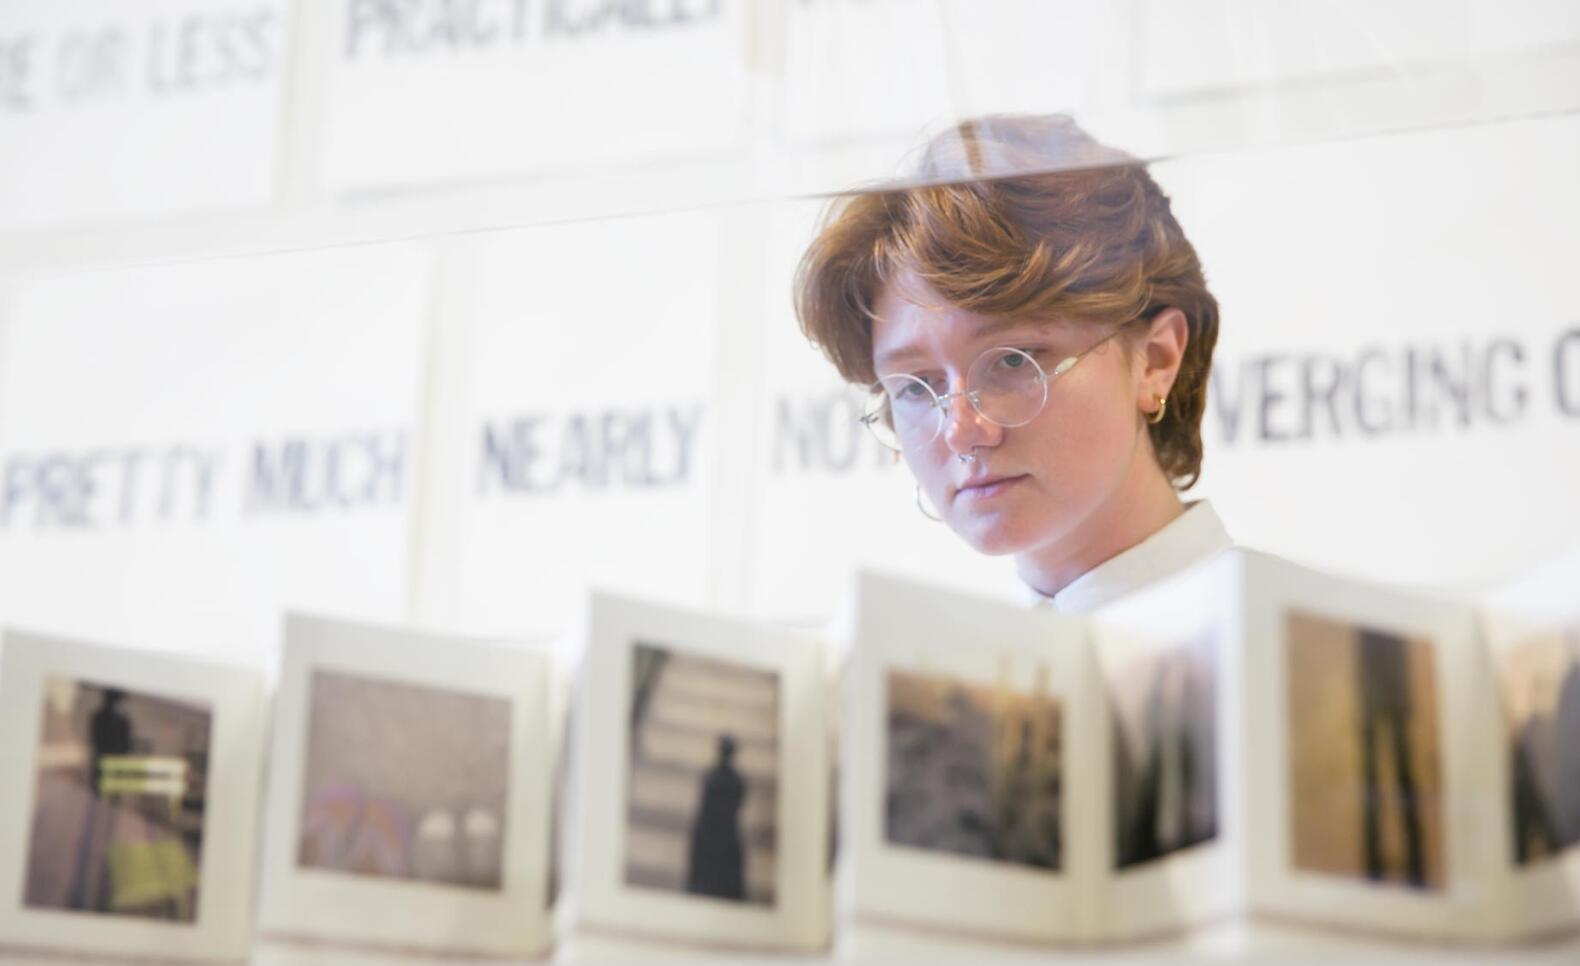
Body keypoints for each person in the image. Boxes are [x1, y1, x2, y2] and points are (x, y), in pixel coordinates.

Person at [795, 115, 1230, 610]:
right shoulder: (919, 665)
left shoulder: (1293, 647)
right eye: (917, 386)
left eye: (1011, 361)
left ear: (1156, 359)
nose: (962, 431)